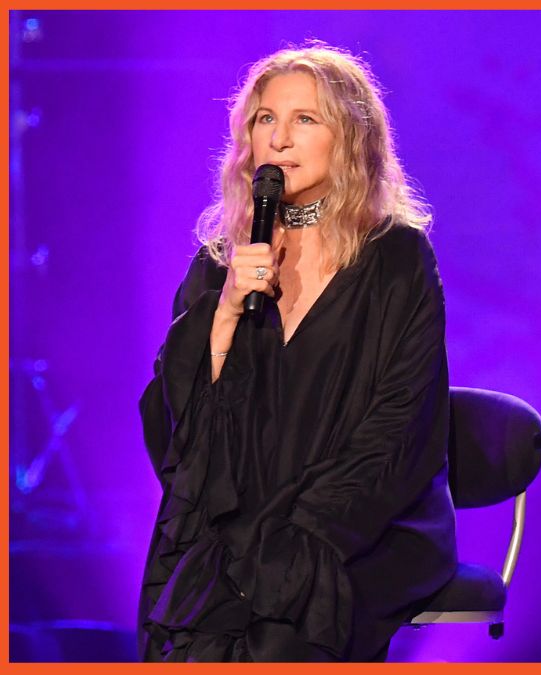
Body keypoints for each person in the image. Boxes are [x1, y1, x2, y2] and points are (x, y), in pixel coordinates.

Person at [138, 43, 456, 662]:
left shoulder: (395, 257)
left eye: (305, 119)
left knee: (282, 622)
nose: (280, 139)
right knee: (187, 619)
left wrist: (302, 529)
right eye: (265, 120)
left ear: (350, 137)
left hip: (362, 517)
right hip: (241, 514)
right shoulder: (219, 266)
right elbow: (177, 425)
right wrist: (226, 311)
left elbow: (400, 424)